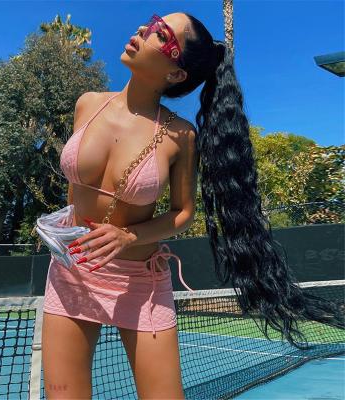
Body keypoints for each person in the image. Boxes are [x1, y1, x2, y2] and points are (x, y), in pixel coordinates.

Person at [41, 12, 344, 400]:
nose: (143, 30)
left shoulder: (180, 136)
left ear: (176, 73)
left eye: (160, 33)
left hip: (140, 283)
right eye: (151, 23)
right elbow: (76, 190)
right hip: (72, 272)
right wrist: (61, 226)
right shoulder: (88, 104)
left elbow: (183, 214)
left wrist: (127, 236)